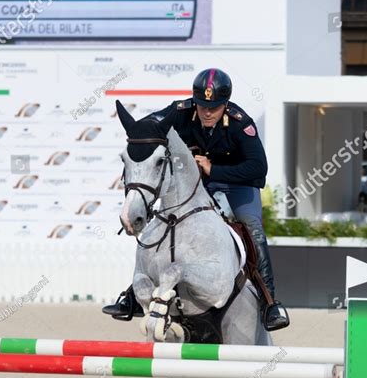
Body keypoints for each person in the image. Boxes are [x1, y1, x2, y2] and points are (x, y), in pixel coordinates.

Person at [103, 68, 289, 331]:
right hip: (199, 185)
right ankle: (132, 295)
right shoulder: (181, 112)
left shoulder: (240, 123)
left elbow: (259, 169)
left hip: (238, 185)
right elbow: (150, 126)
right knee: (163, 223)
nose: (207, 112)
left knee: (253, 227)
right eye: (202, 105)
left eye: (213, 107)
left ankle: (270, 302)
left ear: (225, 105)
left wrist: (214, 169)